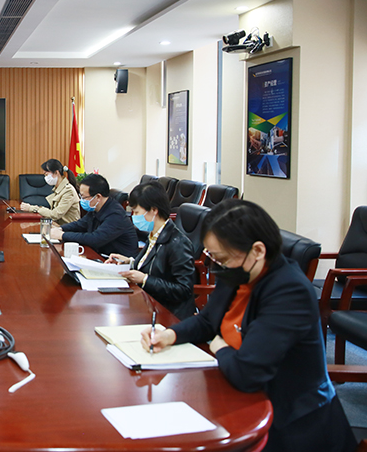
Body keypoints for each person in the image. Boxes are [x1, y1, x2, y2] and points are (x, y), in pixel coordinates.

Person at [142, 199, 357, 452]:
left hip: (292, 423)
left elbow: (246, 373)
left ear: (257, 250)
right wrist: (170, 334)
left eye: (221, 257)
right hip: (236, 391)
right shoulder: (237, 270)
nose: (217, 265)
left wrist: (220, 347)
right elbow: (208, 320)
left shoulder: (290, 292)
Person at [105, 182, 196, 319]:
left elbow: (184, 290)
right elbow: (153, 264)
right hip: (149, 303)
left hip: (168, 313)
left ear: (154, 210)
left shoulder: (178, 243)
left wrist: (145, 279)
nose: (134, 216)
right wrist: (129, 262)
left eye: (137, 212)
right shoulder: (154, 234)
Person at [50, 173, 138, 257]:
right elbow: (81, 224)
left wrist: (62, 235)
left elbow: (95, 239)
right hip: (102, 255)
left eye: (84, 197)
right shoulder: (96, 208)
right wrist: (60, 229)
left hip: (118, 261)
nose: (82, 200)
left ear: (98, 197)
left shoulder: (115, 215)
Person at [18, 159, 79, 225]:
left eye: (46, 174)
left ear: (56, 173)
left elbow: (55, 214)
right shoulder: (58, 189)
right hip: (57, 226)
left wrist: (32, 208)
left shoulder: (68, 190)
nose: (45, 178)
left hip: (68, 229)